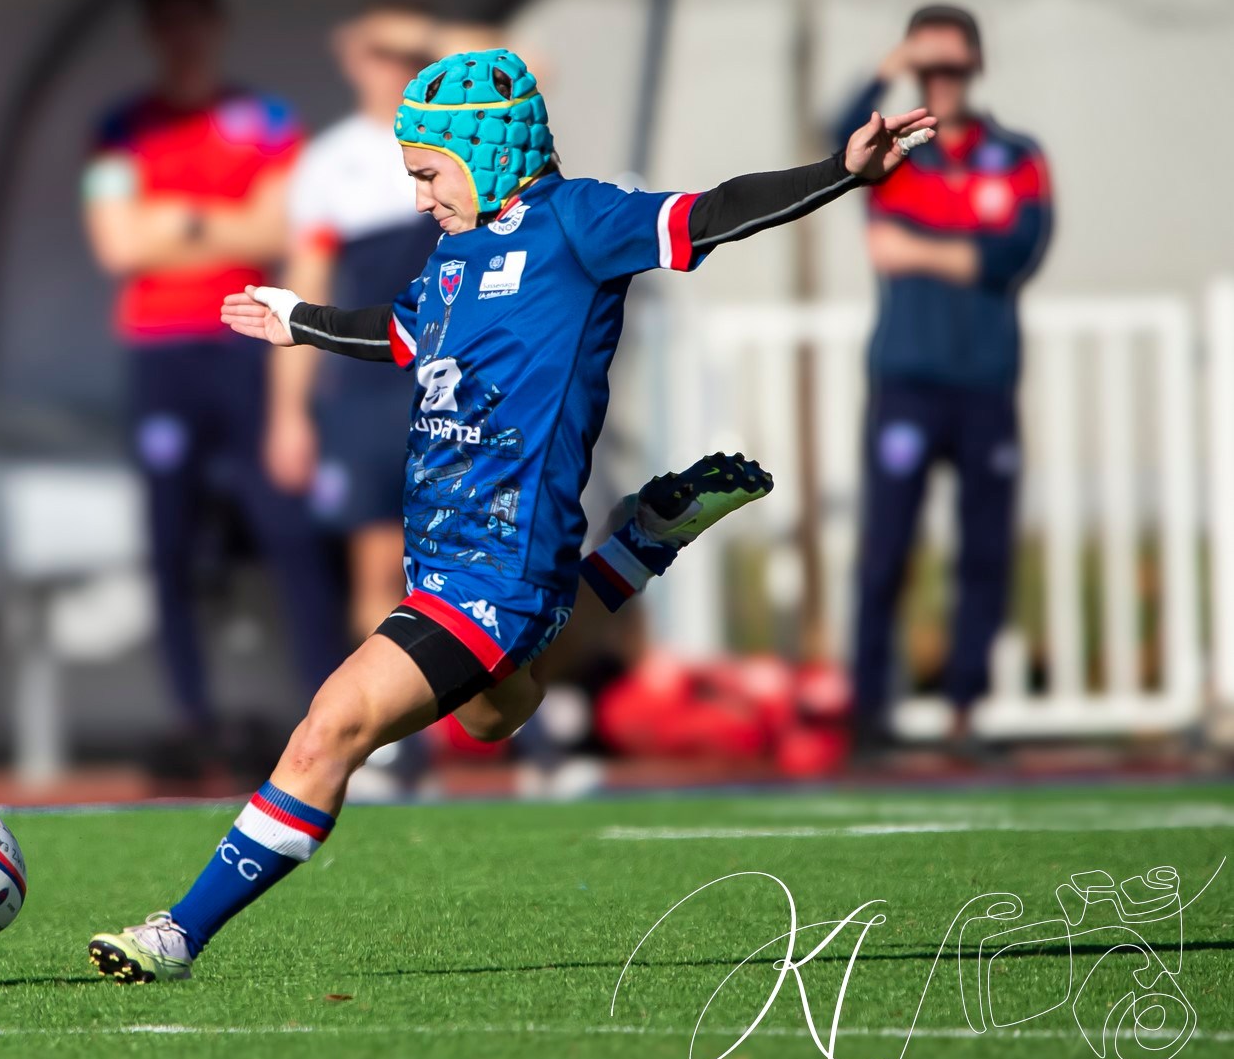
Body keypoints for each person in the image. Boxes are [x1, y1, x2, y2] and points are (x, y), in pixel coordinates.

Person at [87, 48, 936, 981]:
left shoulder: (581, 223)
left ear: (486, 151)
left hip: (498, 564)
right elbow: (403, 334)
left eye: (427, 173)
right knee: (498, 716)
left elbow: (714, 211)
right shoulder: (455, 251)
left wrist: (839, 173)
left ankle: (177, 933)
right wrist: (303, 319)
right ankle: (639, 545)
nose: (418, 199)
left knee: (331, 724)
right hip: (446, 556)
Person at [82, 0, 345, 747]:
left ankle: (329, 716)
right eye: (165, 23)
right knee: (170, 539)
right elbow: (117, 244)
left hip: (246, 340)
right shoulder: (120, 128)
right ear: (150, 34)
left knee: (287, 527)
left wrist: (178, 221)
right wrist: (220, 219)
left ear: (215, 25)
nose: (180, 38)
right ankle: (191, 719)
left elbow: (279, 232)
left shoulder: (265, 119)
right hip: (160, 351)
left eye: (192, 20)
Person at [833, 5, 1053, 753]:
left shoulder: (1016, 155)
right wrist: (887, 66)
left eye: (953, 68)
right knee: (887, 548)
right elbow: (835, 143)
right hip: (907, 380)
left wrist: (922, 250)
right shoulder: (899, 154)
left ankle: (964, 711)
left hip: (987, 381)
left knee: (985, 550)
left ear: (976, 69)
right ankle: (868, 713)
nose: (943, 83)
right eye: (929, 68)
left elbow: (1014, 254)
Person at [267, 3, 438, 658]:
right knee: (377, 567)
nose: (392, 67)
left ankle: (511, 737)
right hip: (372, 388)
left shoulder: (465, 138)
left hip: (457, 379)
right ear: (352, 59)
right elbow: (301, 295)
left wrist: (426, 37)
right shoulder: (331, 163)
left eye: (405, 53)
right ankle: (400, 746)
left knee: (471, 562)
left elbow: (532, 67)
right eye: (377, 52)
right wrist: (288, 414)